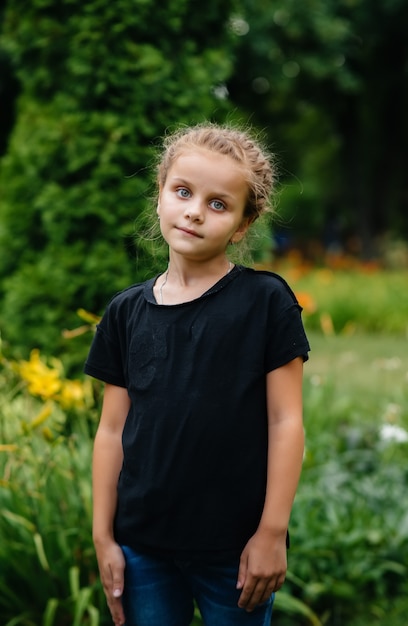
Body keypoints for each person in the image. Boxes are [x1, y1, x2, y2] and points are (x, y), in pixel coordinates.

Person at [84, 122, 310, 626]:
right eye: (183, 192)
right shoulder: (124, 313)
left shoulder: (266, 302)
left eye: (218, 203)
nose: (194, 211)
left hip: (235, 552)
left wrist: (271, 532)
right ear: (160, 193)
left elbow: (285, 422)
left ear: (243, 224)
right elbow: (111, 431)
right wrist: (104, 538)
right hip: (142, 548)